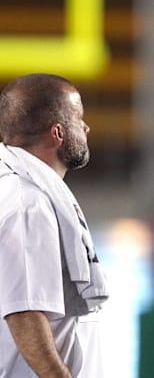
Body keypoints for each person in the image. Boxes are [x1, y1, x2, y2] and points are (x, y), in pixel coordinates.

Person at [0, 73, 109, 377]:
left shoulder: (29, 192)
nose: (86, 127)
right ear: (58, 132)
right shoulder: (27, 202)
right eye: (79, 118)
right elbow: (24, 311)